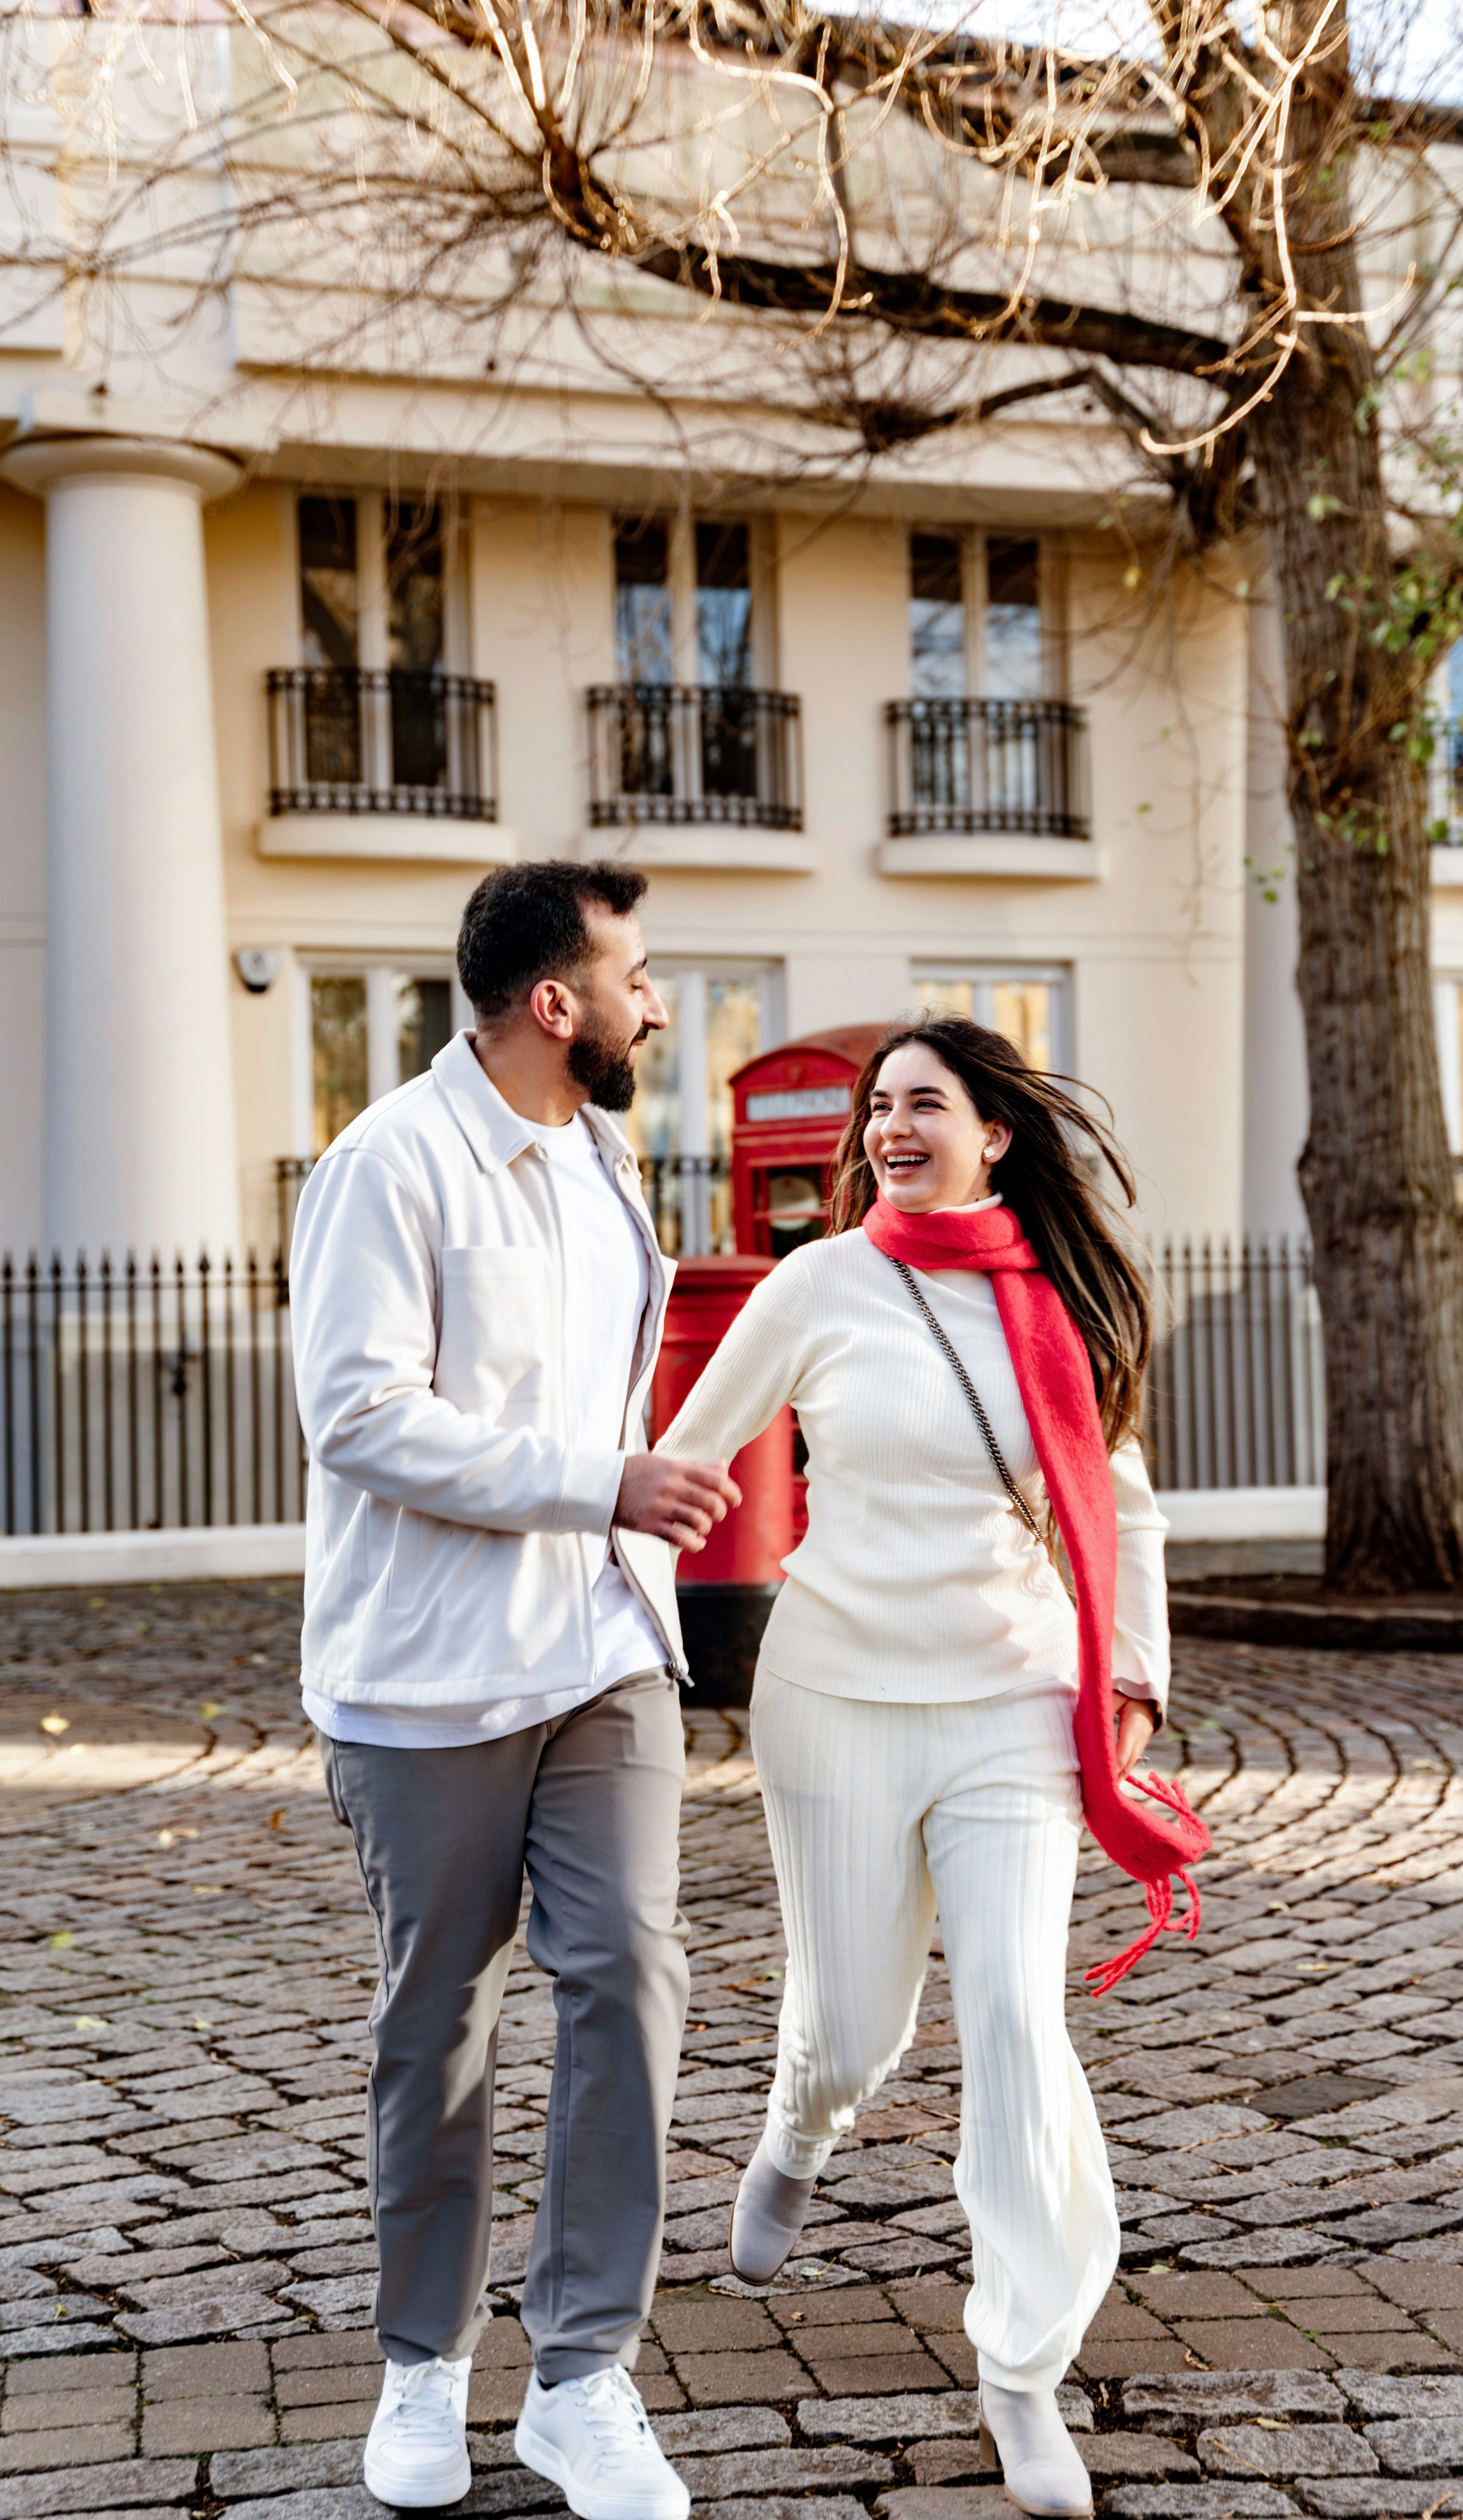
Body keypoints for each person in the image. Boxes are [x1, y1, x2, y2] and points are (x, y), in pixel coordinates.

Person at [656, 1016, 1170, 2520]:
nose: (889, 1124)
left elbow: (1121, 1507)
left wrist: (1130, 1670)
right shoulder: (817, 1281)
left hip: (1012, 1699)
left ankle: (1020, 2371)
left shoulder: (1055, 1298)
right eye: (877, 1105)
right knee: (854, 2026)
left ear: (992, 1133)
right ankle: (799, 2125)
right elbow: (687, 1454)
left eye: (921, 1102)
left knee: (1015, 2016)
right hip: (835, 1694)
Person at [289, 861, 739, 2520]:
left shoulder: (602, 1155)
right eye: (637, 974)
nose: (655, 1003)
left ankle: (581, 2374)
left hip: (601, 1647)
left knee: (627, 1970)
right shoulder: (386, 1165)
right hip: (424, 1681)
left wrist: (622, 1519)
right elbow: (360, 1417)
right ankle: (422, 2362)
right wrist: (596, 1482)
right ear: (555, 1005)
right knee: (443, 2019)